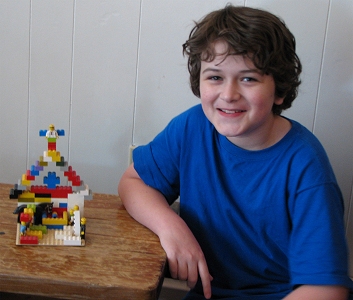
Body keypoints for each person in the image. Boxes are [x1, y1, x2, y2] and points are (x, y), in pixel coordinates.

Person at [118, 4, 353, 299]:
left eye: (249, 78)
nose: (228, 94)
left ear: (279, 89)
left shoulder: (305, 165)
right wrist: (171, 226)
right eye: (215, 77)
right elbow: (133, 182)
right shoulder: (191, 128)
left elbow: (327, 290)